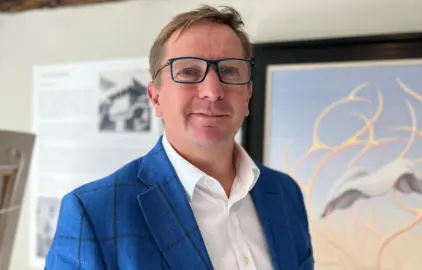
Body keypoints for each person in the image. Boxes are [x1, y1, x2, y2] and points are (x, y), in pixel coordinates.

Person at [45, 5, 314, 270]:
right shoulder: (93, 214)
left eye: (230, 71)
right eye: (188, 71)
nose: (212, 91)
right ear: (155, 98)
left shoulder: (284, 193)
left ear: (247, 96)